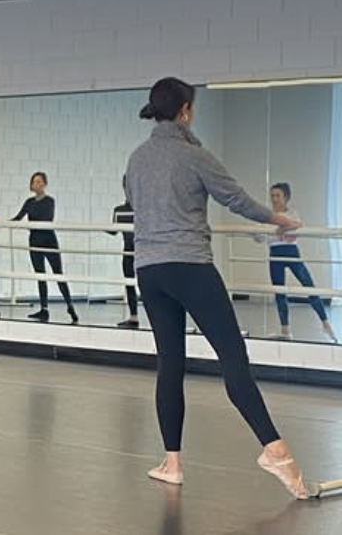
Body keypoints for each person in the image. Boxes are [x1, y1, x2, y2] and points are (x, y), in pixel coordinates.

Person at [127, 77, 308, 499]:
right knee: (232, 356)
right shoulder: (195, 156)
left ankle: (172, 464)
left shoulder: (136, 158)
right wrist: (280, 219)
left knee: (170, 364)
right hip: (189, 266)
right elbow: (236, 198)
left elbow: (133, 199)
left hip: (150, 272)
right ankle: (275, 450)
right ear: (186, 111)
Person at [255, 183, 334, 342]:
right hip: (275, 253)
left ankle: (325, 323)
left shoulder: (292, 213)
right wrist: (266, 232)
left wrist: (283, 228)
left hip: (291, 251)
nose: (274, 199)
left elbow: (298, 225)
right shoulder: (267, 215)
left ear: (286, 198)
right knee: (280, 292)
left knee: (308, 285)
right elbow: (258, 236)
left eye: (278, 196)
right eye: (272, 196)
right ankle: (285, 330)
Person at [12, 172, 78, 324]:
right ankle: (44, 309)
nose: (38, 184)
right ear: (31, 185)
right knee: (40, 275)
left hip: (49, 241)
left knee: (58, 274)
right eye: (35, 182)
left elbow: (47, 218)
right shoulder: (29, 202)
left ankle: (70, 305)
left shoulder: (50, 201)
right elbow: (18, 217)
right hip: (34, 241)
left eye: (41, 182)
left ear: (45, 184)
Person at [107, 175, 139, 328]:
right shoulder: (119, 210)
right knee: (129, 283)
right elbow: (114, 231)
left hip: (145, 251)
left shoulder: (144, 208)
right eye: (127, 186)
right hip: (128, 251)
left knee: (148, 284)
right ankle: (133, 316)